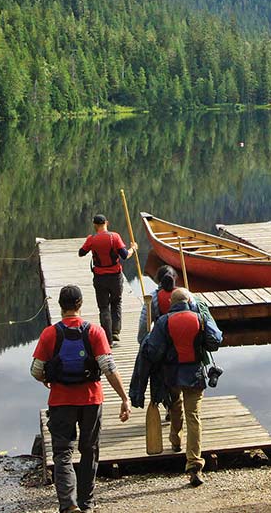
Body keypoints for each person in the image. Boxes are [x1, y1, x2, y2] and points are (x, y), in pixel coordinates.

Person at [30, 285, 130, 513]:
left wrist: (46, 379)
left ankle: (68, 505)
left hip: (60, 401)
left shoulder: (50, 334)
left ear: (60, 306)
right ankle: (86, 504)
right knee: (89, 450)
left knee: (63, 453)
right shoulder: (95, 332)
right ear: (80, 305)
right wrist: (124, 398)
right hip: (91, 399)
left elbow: (36, 369)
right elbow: (108, 367)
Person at [132, 287, 222, 487]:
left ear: (171, 303)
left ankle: (175, 440)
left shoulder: (163, 322)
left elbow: (153, 352)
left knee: (174, 407)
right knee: (194, 417)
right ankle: (194, 464)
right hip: (195, 375)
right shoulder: (199, 317)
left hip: (171, 375)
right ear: (189, 301)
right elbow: (215, 341)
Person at [78, 214, 137, 344]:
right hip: (115, 276)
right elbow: (125, 255)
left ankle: (108, 338)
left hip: (99, 277)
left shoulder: (91, 239)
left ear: (94, 225)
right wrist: (133, 249)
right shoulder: (114, 237)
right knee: (116, 302)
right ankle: (115, 331)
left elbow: (81, 253)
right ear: (107, 223)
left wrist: (90, 246)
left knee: (104, 307)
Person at [137, 264, 179, 344]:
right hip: (181, 335)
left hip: (161, 337)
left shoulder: (152, 297)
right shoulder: (184, 294)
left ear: (158, 279)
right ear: (175, 278)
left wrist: (142, 340)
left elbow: (144, 322)